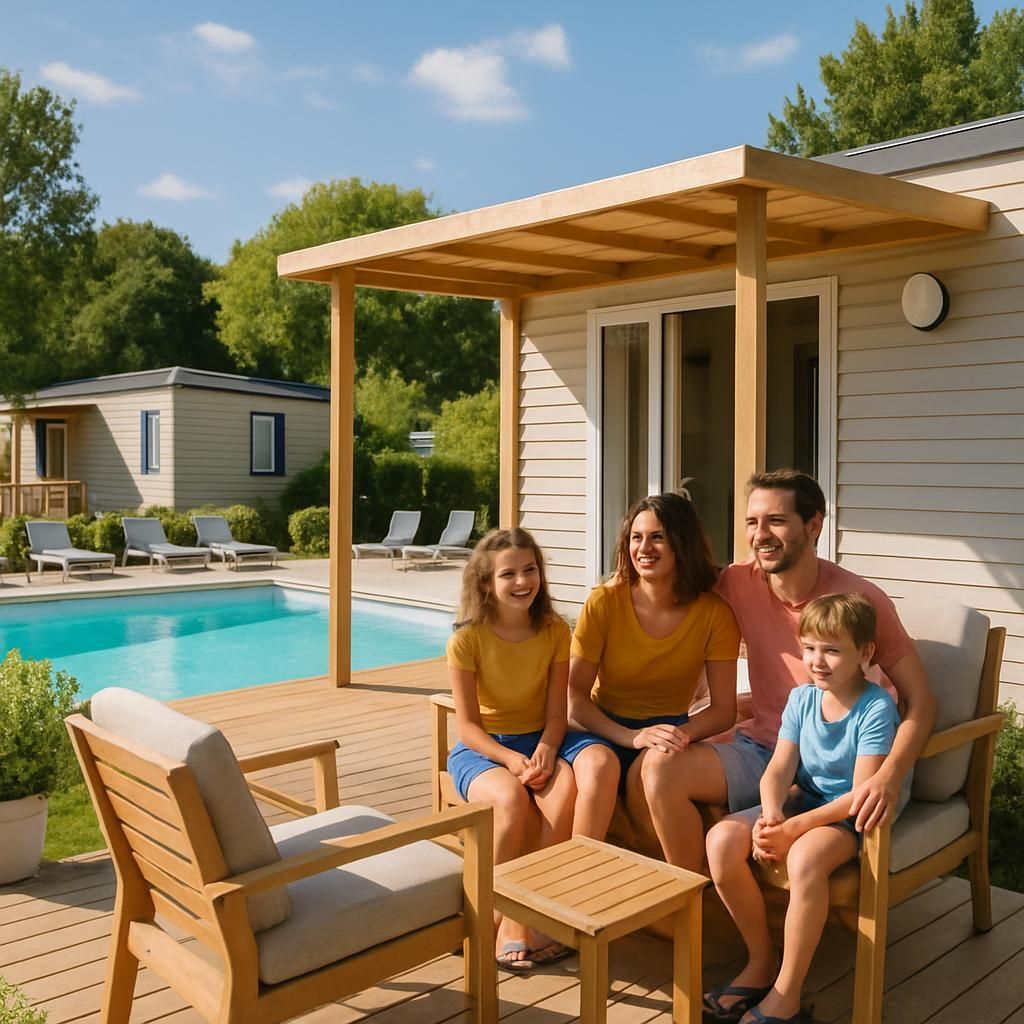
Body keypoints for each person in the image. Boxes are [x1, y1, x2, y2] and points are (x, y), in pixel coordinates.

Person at [628, 469, 934, 873]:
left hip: (841, 762)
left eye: (776, 521)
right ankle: (692, 897)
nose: (761, 535)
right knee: (656, 766)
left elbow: (920, 702)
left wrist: (889, 775)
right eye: (752, 522)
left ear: (813, 526)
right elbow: (672, 581)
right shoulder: (737, 582)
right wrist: (614, 591)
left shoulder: (859, 601)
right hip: (766, 750)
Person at [703, 593, 900, 1024]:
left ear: (864, 653)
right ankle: (761, 961)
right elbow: (778, 769)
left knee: (806, 856)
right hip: (802, 802)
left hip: (849, 818)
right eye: (809, 648)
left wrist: (792, 831)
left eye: (832, 650)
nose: (817, 661)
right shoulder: (802, 699)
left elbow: (859, 795)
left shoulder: (876, 708)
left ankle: (786, 995)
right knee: (721, 840)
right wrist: (771, 815)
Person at [562, 492, 740, 851]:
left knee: (651, 777)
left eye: (658, 537)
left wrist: (677, 735)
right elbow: (574, 697)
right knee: (599, 768)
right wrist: (631, 737)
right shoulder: (604, 602)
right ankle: (575, 876)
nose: (644, 548)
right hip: (601, 726)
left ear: (682, 543)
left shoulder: (714, 614)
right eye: (636, 537)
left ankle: (679, 885)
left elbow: (724, 710)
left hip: (669, 730)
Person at [446, 527, 577, 971]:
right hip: (484, 750)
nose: (523, 581)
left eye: (529, 570)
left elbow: (557, 714)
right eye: (508, 574)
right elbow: (468, 727)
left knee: (565, 792)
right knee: (510, 799)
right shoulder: (467, 640)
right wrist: (510, 760)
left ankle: (524, 913)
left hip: (539, 742)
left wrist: (546, 748)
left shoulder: (556, 632)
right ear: (486, 583)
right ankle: (486, 917)